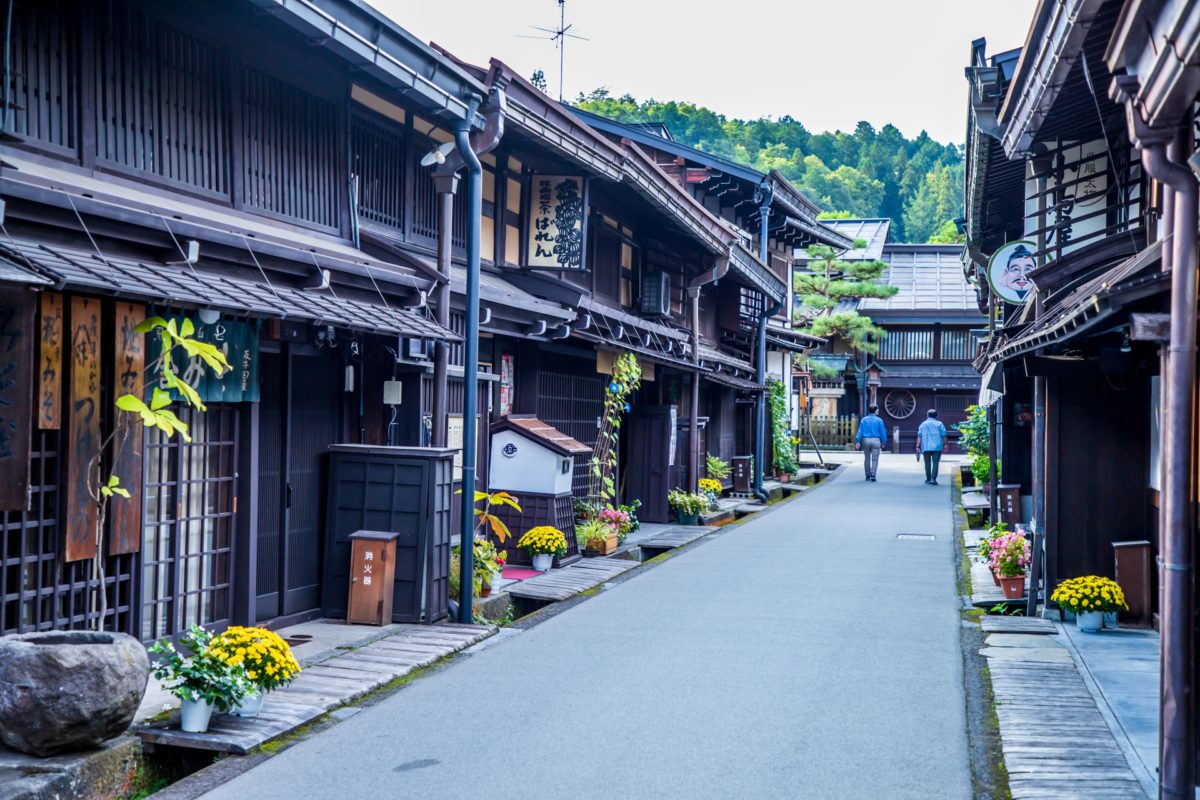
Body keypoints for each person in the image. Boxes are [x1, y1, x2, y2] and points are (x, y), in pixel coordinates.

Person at [855, 404, 887, 482]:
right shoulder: (879, 420)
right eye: (878, 409)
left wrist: (858, 441)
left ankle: (867, 475)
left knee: (867, 458)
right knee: (875, 459)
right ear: (875, 411)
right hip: (876, 440)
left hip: (865, 440)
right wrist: (883, 442)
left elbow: (860, 431)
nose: (878, 411)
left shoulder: (863, 420)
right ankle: (873, 474)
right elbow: (883, 432)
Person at [916, 409, 948, 485]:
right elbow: (944, 435)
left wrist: (917, 446)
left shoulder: (923, 424)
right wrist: (946, 444)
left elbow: (919, 436)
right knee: (936, 463)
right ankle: (933, 479)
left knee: (927, 463)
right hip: (937, 446)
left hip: (926, 446)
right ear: (936, 416)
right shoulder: (940, 424)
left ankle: (928, 479)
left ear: (927, 415)